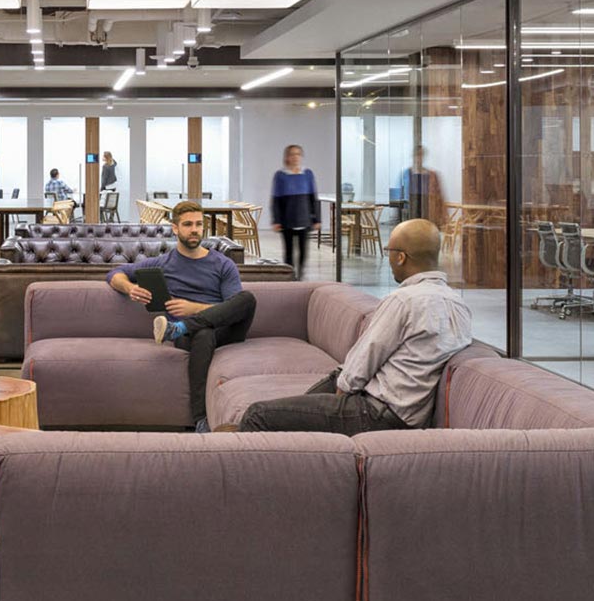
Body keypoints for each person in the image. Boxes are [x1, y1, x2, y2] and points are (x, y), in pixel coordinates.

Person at [237, 219, 471, 434]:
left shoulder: (404, 301)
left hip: (377, 412)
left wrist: (341, 397)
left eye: (389, 251)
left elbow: (368, 355)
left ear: (401, 257)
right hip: (404, 413)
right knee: (307, 402)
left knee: (257, 415)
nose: (388, 259)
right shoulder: (458, 305)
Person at [107, 201, 256, 432]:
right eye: (187, 224)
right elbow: (114, 273)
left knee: (248, 299)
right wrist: (130, 288)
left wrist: (193, 309)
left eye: (198, 224)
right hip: (194, 338)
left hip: (224, 331)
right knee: (203, 334)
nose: (194, 229)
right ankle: (200, 421)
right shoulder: (163, 263)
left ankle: (179, 327)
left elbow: (232, 308)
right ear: (175, 228)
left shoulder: (222, 264)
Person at [270, 144, 319, 278]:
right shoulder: (280, 175)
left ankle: (301, 273)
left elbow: (313, 197)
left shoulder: (307, 174)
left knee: (303, 251)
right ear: (287, 157)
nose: (295, 157)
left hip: (304, 219)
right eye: (292, 154)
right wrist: (276, 220)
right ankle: (290, 276)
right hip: (287, 219)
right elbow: (276, 199)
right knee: (289, 251)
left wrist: (316, 219)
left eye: (298, 154)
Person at [395, 145, 447, 229]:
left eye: (421, 155)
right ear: (413, 156)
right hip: (411, 213)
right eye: (417, 155)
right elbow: (400, 196)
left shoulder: (432, 175)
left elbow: (439, 197)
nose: (419, 158)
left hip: (427, 213)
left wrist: (443, 217)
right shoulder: (406, 174)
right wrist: (398, 219)